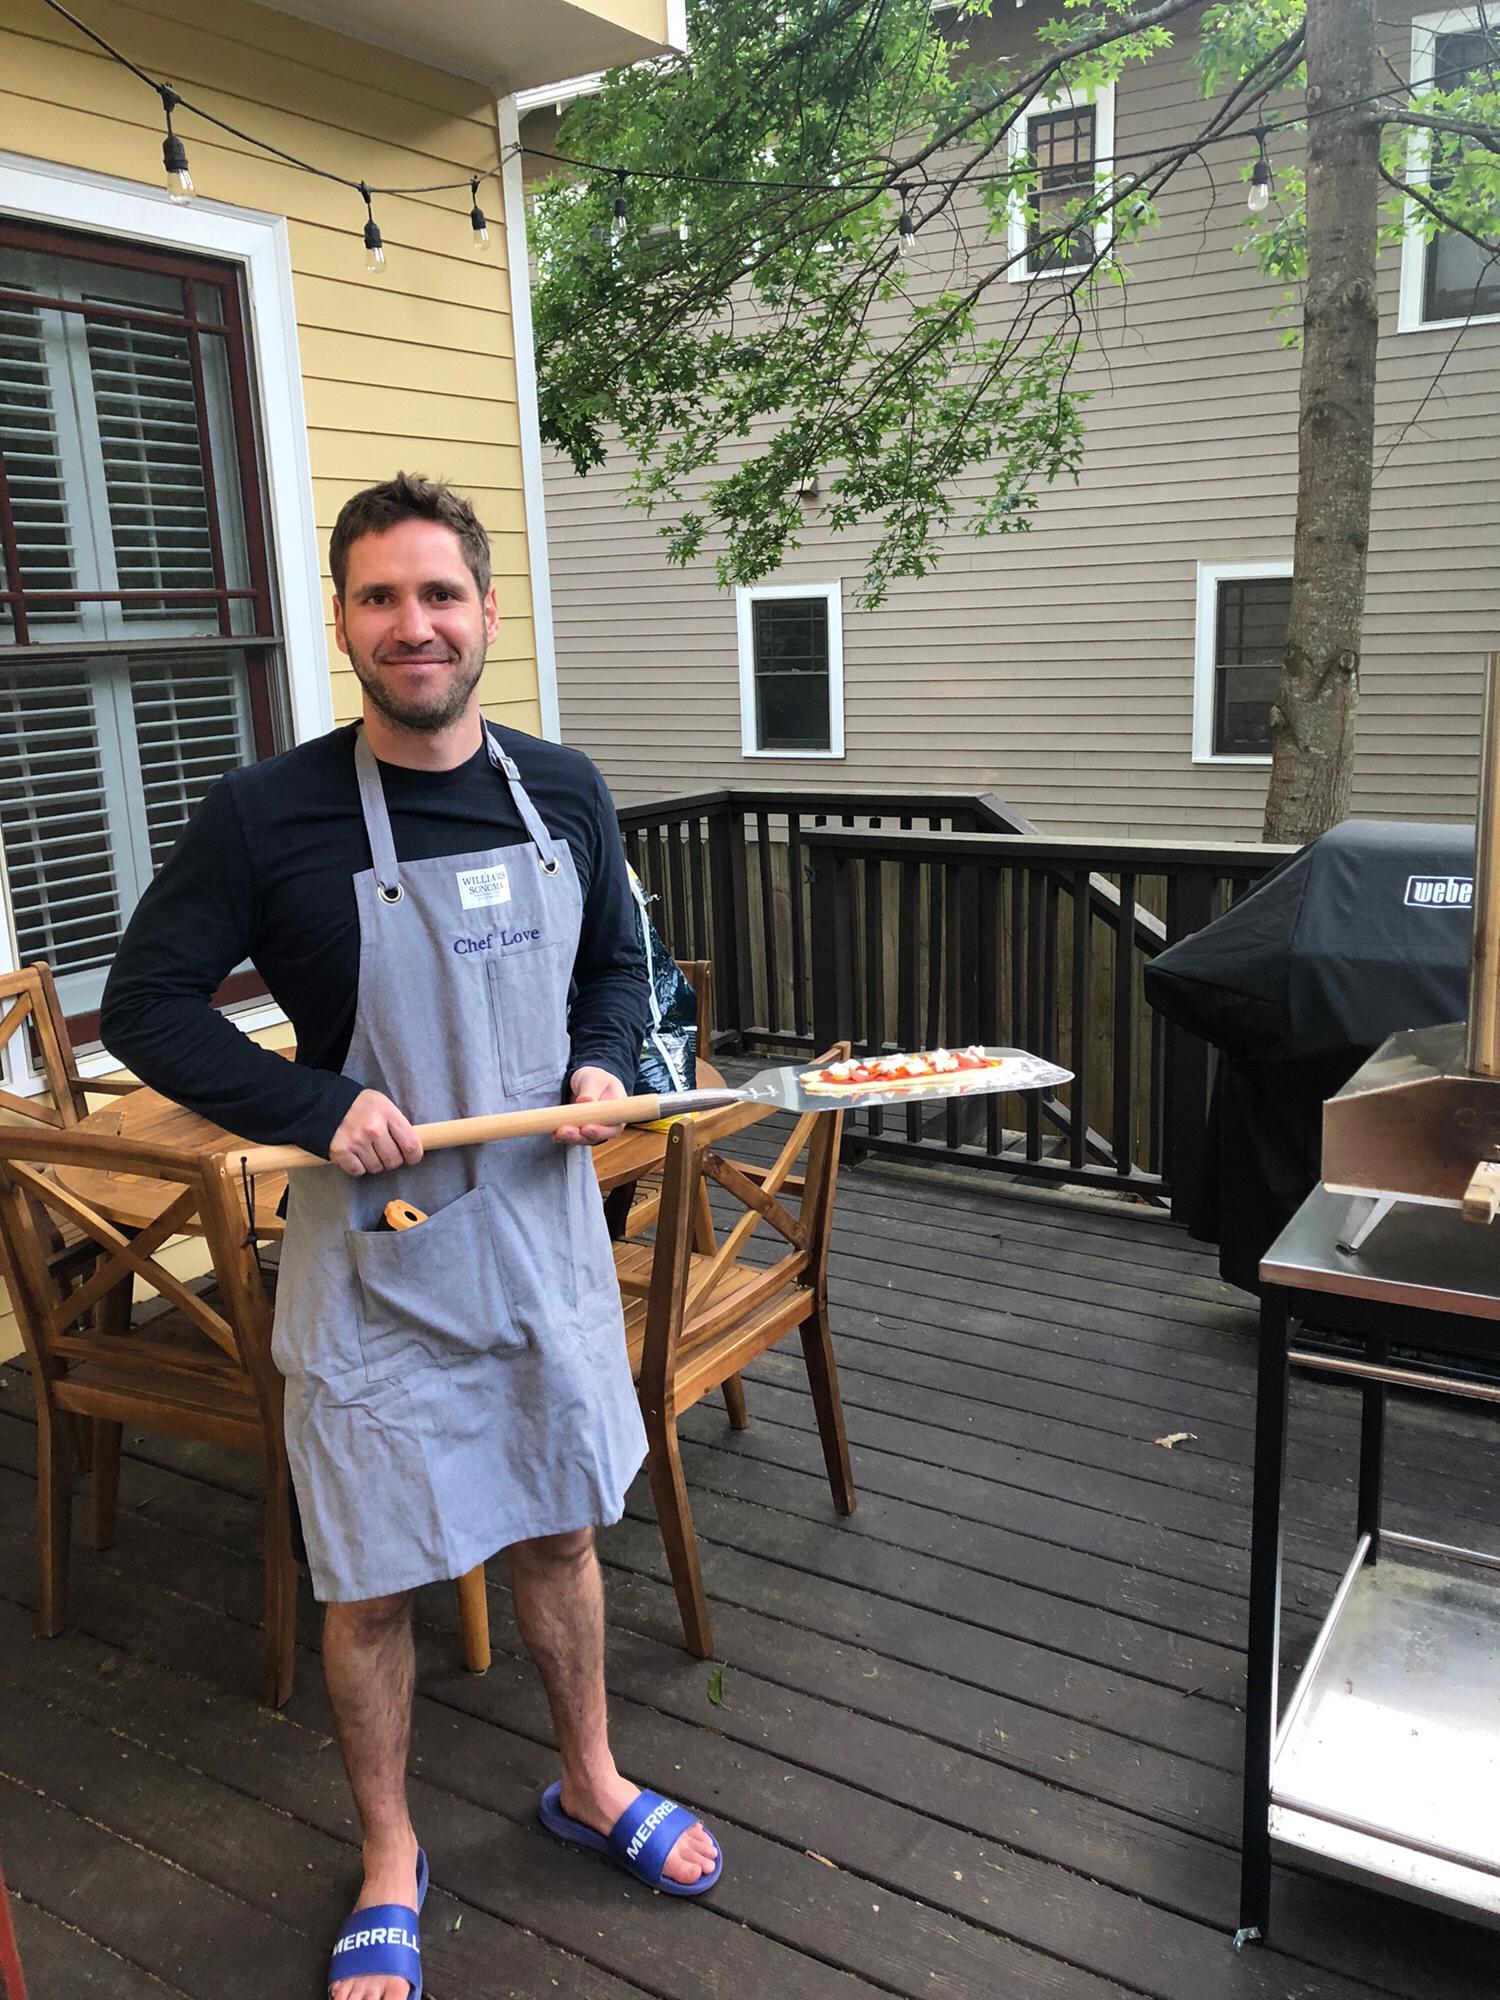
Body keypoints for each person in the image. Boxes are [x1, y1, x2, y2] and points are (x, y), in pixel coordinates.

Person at [101, 473, 722, 2000]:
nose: (415, 624)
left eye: (440, 593)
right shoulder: (267, 815)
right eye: (380, 597)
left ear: (487, 612)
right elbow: (147, 1006)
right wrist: (315, 1104)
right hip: (374, 1266)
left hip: (540, 1240)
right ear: (342, 624)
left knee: (562, 1530)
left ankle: (590, 1779)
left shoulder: (563, 787)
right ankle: (390, 1853)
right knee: (369, 1581)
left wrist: (602, 1066)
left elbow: (617, 965)